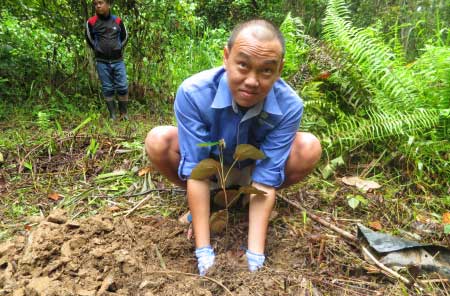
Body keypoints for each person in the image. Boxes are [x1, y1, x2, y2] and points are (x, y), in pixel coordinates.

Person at [145, 19, 322, 275]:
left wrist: (255, 256)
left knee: (309, 147)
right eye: (243, 65)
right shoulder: (194, 93)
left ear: (279, 70)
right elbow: (197, 170)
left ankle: (248, 203)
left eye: (266, 71)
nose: (252, 81)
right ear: (226, 57)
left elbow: (267, 177)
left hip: (253, 172)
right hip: (212, 169)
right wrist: (203, 252)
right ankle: (204, 207)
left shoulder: (289, 105)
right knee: (158, 140)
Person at [85, 0, 129, 120]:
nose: (98, 6)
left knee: (123, 87)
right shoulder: (91, 22)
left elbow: (125, 37)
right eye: (95, 4)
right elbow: (89, 39)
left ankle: (124, 114)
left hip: (118, 60)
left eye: (101, 2)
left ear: (108, 4)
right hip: (102, 61)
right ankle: (112, 115)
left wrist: (118, 48)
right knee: (107, 88)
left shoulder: (118, 21)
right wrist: (98, 49)